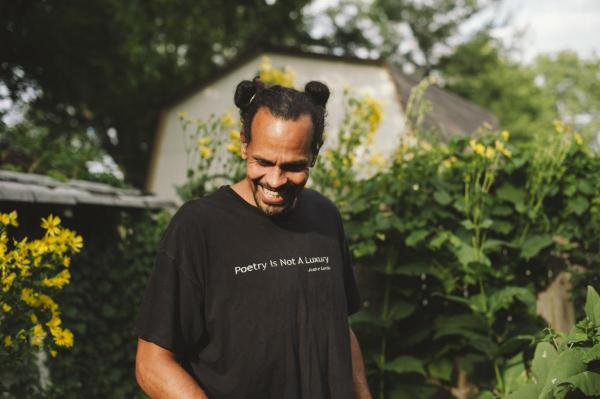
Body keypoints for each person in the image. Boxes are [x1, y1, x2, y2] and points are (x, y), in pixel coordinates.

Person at [135, 78, 372, 399]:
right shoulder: (199, 226)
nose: (275, 180)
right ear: (244, 143)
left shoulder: (325, 217)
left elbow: (339, 329)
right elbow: (152, 363)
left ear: (314, 153)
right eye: (263, 162)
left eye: (293, 166)